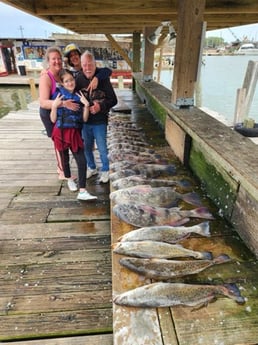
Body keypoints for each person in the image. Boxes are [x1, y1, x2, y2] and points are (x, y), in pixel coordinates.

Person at [50, 69, 97, 201]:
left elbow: (85, 119)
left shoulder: (80, 95)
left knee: (82, 161)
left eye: (71, 80)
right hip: (60, 131)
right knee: (64, 159)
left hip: (75, 132)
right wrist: (54, 106)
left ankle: (82, 191)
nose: (70, 83)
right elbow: (53, 120)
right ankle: (69, 178)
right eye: (66, 81)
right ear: (62, 83)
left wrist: (86, 105)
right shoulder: (58, 95)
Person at [76, 51, 118, 183]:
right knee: (87, 147)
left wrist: (100, 106)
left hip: (100, 121)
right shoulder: (78, 79)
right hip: (85, 122)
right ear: (81, 65)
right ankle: (91, 167)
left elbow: (113, 100)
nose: (88, 68)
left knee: (102, 147)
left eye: (90, 64)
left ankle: (106, 169)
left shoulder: (103, 78)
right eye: (84, 65)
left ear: (95, 64)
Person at [39, 46, 79, 180]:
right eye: (53, 59)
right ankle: (62, 171)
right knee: (57, 141)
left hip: (62, 113)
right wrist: (63, 103)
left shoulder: (60, 73)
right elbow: (43, 102)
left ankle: (63, 167)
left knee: (63, 139)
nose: (57, 61)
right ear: (48, 61)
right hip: (49, 112)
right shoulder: (46, 77)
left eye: (59, 58)